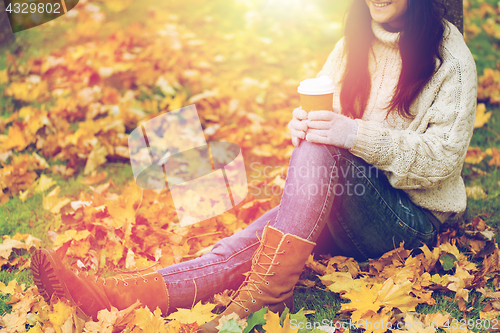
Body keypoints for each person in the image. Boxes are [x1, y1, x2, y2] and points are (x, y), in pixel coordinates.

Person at [31, 0, 477, 331]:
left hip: (408, 220)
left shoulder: (449, 60)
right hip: (349, 199)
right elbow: (330, 122)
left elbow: (439, 160)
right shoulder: (352, 44)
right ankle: (114, 294)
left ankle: (266, 295)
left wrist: (348, 134)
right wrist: (304, 127)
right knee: (243, 246)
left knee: (316, 165)